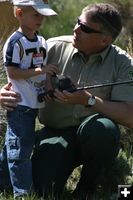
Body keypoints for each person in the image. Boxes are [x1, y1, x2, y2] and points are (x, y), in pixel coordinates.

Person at [1, 2, 133, 200]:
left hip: (92, 133)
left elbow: (130, 116)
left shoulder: (123, 63)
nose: (76, 29)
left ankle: (88, 187)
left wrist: (88, 100)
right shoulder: (49, 46)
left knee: (103, 131)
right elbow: (17, 76)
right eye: (77, 22)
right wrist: (3, 93)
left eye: (85, 28)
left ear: (105, 40)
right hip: (55, 132)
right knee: (44, 189)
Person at [1, 0, 57, 199]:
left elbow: (44, 70)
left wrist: (48, 85)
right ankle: (22, 194)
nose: (40, 19)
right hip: (20, 104)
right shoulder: (15, 42)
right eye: (36, 15)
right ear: (19, 13)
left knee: (14, 145)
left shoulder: (41, 40)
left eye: (42, 15)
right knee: (20, 151)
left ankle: (3, 184)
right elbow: (13, 72)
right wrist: (40, 71)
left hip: (33, 104)